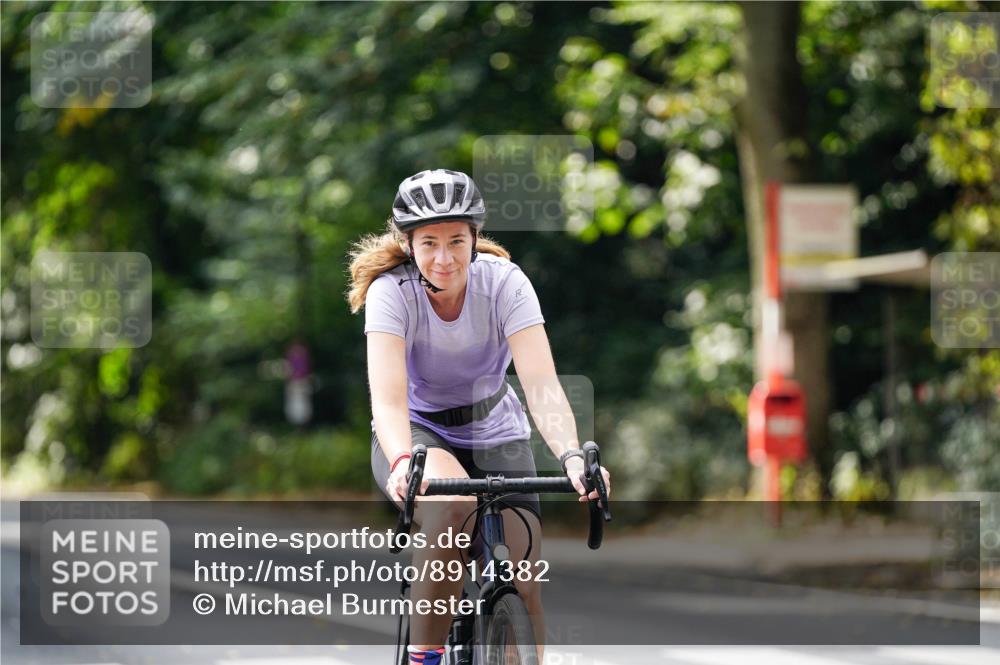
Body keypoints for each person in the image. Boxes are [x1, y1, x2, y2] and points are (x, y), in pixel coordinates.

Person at [347, 169, 611, 665]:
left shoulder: (506, 283)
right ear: (408, 244)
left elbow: (541, 385)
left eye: (455, 241)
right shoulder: (391, 292)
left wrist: (573, 457)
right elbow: (387, 399)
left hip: (497, 430)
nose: (443, 258)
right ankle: (424, 658)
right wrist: (403, 460)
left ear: (474, 239)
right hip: (421, 431)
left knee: (525, 584)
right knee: (453, 507)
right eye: (429, 243)